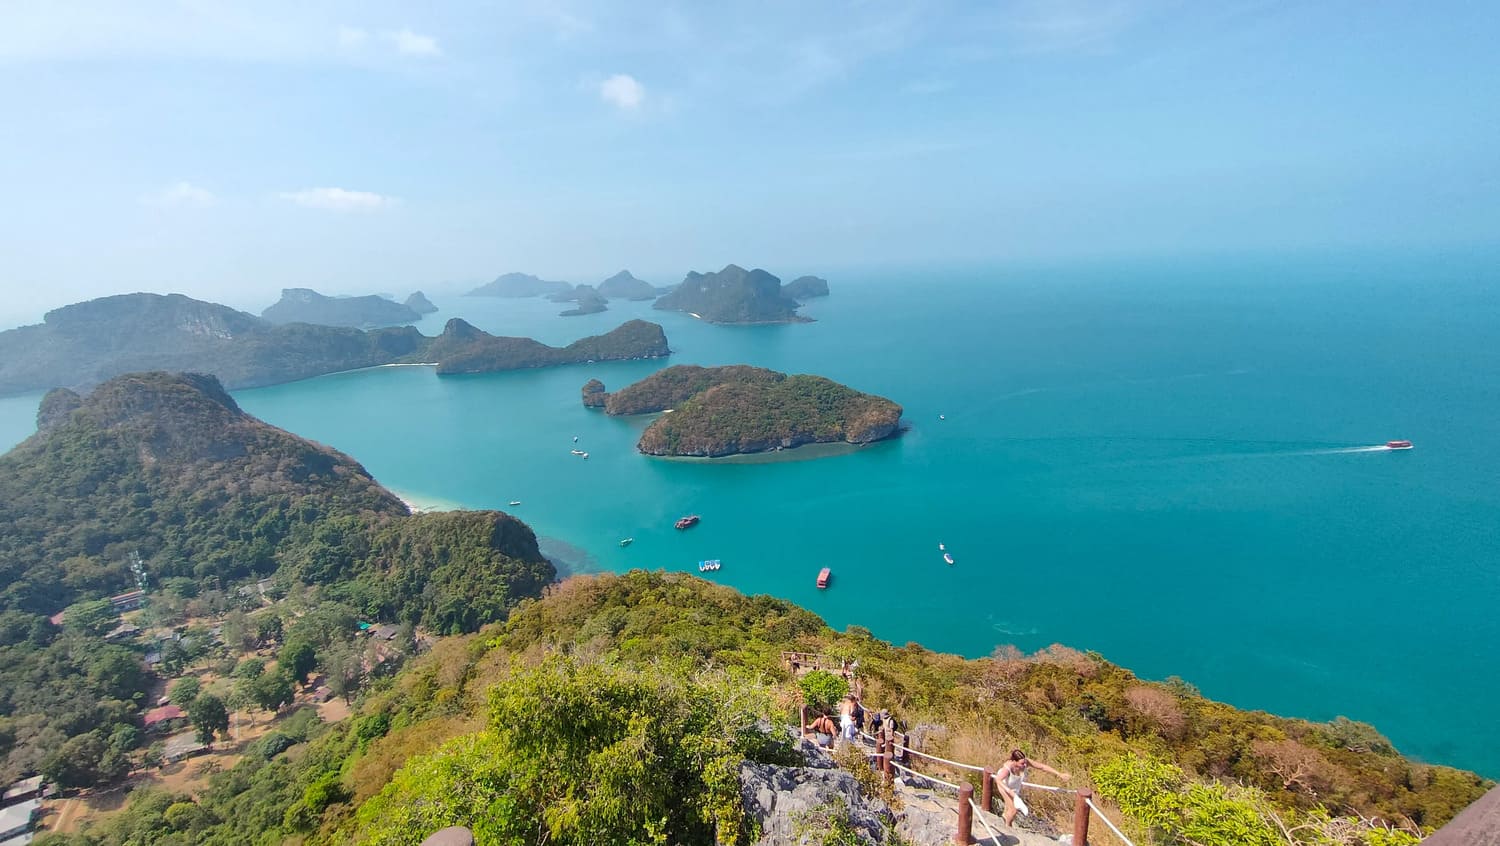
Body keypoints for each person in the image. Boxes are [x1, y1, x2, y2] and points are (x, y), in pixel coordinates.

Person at [995, 749, 1070, 826]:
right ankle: (1007, 827)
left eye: (1024, 763)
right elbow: (998, 779)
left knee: (1009, 810)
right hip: (1004, 785)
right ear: (1014, 761)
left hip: (1014, 787)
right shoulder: (1008, 768)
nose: (1024, 765)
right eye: (1022, 763)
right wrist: (1009, 791)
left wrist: (1059, 774)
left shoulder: (1026, 762)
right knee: (1013, 810)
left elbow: (1042, 767)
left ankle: (1006, 822)